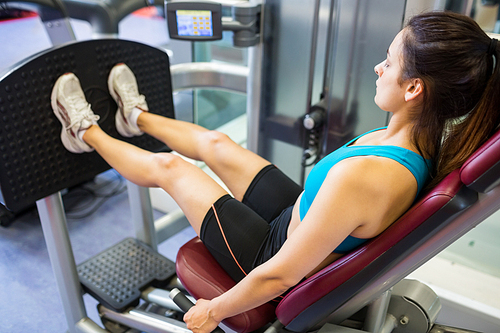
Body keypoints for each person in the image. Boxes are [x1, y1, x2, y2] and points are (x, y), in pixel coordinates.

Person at [50, 11, 499, 333]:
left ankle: (84, 130)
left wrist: (214, 310)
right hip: (302, 215)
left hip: (271, 254)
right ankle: (137, 119)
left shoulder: (370, 176)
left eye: (389, 62)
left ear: (415, 88)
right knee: (217, 144)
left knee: (171, 167)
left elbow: (280, 276)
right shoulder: (416, 139)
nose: (379, 68)